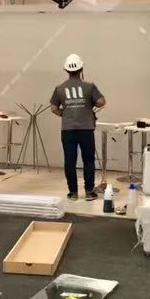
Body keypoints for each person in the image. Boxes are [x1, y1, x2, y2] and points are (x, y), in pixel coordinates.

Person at [50, 54, 105, 201]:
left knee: (69, 162)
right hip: (86, 129)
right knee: (88, 161)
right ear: (81, 69)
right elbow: (101, 102)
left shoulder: (60, 88)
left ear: (66, 70)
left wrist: (66, 113)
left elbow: (53, 108)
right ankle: (89, 192)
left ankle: (73, 193)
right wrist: (89, 105)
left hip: (68, 129)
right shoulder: (89, 86)